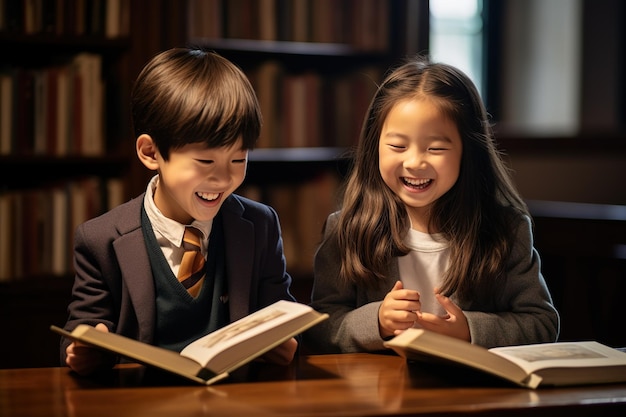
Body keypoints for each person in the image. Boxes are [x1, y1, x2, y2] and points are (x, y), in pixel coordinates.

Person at [60, 47, 298, 375]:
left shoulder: (260, 224)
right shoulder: (100, 238)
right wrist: (85, 348)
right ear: (151, 152)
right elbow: (81, 327)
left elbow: (282, 313)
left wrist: (286, 341)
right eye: (205, 161)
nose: (224, 178)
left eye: (239, 160)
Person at [303, 56, 560, 354]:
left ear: (469, 152)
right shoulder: (347, 229)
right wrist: (377, 322)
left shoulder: (505, 230)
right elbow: (319, 326)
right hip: (380, 392)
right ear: (375, 146)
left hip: (473, 394)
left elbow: (541, 323)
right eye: (398, 146)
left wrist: (468, 330)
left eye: (435, 148)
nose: (414, 163)